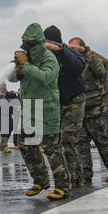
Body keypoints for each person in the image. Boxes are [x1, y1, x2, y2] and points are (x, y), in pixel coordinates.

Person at [9, 23, 71, 201]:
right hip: (29, 110)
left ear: (37, 44)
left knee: (52, 149)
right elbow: (11, 77)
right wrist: (18, 65)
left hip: (47, 110)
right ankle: (40, 180)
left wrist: (26, 65)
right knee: (26, 145)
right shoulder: (25, 58)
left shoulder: (49, 58)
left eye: (29, 44)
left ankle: (63, 187)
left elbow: (45, 77)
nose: (26, 48)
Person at [68, 37, 108, 184]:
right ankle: (85, 174)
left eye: (74, 47)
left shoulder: (94, 59)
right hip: (81, 109)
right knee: (81, 143)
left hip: (97, 108)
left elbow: (101, 71)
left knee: (103, 140)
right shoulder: (74, 63)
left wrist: (87, 53)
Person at [43, 25, 86, 189]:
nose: (47, 44)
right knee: (57, 141)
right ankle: (73, 177)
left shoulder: (70, 52)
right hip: (57, 103)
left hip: (74, 100)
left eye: (50, 41)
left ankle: (74, 179)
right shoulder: (45, 56)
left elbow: (77, 67)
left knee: (68, 140)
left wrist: (61, 50)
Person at [0, 82, 20, 153]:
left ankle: (3, 144)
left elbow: (17, 101)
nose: (3, 87)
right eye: (1, 86)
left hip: (9, 114)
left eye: (4, 86)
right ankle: (4, 146)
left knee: (10, 127)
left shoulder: (11, 94)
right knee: (5, 129)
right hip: (0, 114)